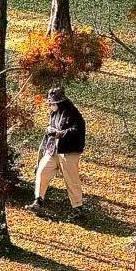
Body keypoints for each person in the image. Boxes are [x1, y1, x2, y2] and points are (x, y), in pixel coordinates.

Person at [29, 85, 86, 215]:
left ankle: (77, 207)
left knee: (71, 180)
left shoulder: (73, 113)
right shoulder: (55, 113)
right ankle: (38, 200)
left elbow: (77, 131)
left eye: (52, 103)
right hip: (53, 150)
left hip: (68, 152)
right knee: (42, 171)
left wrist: (59, 134)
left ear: (59, 102)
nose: (50, 105)